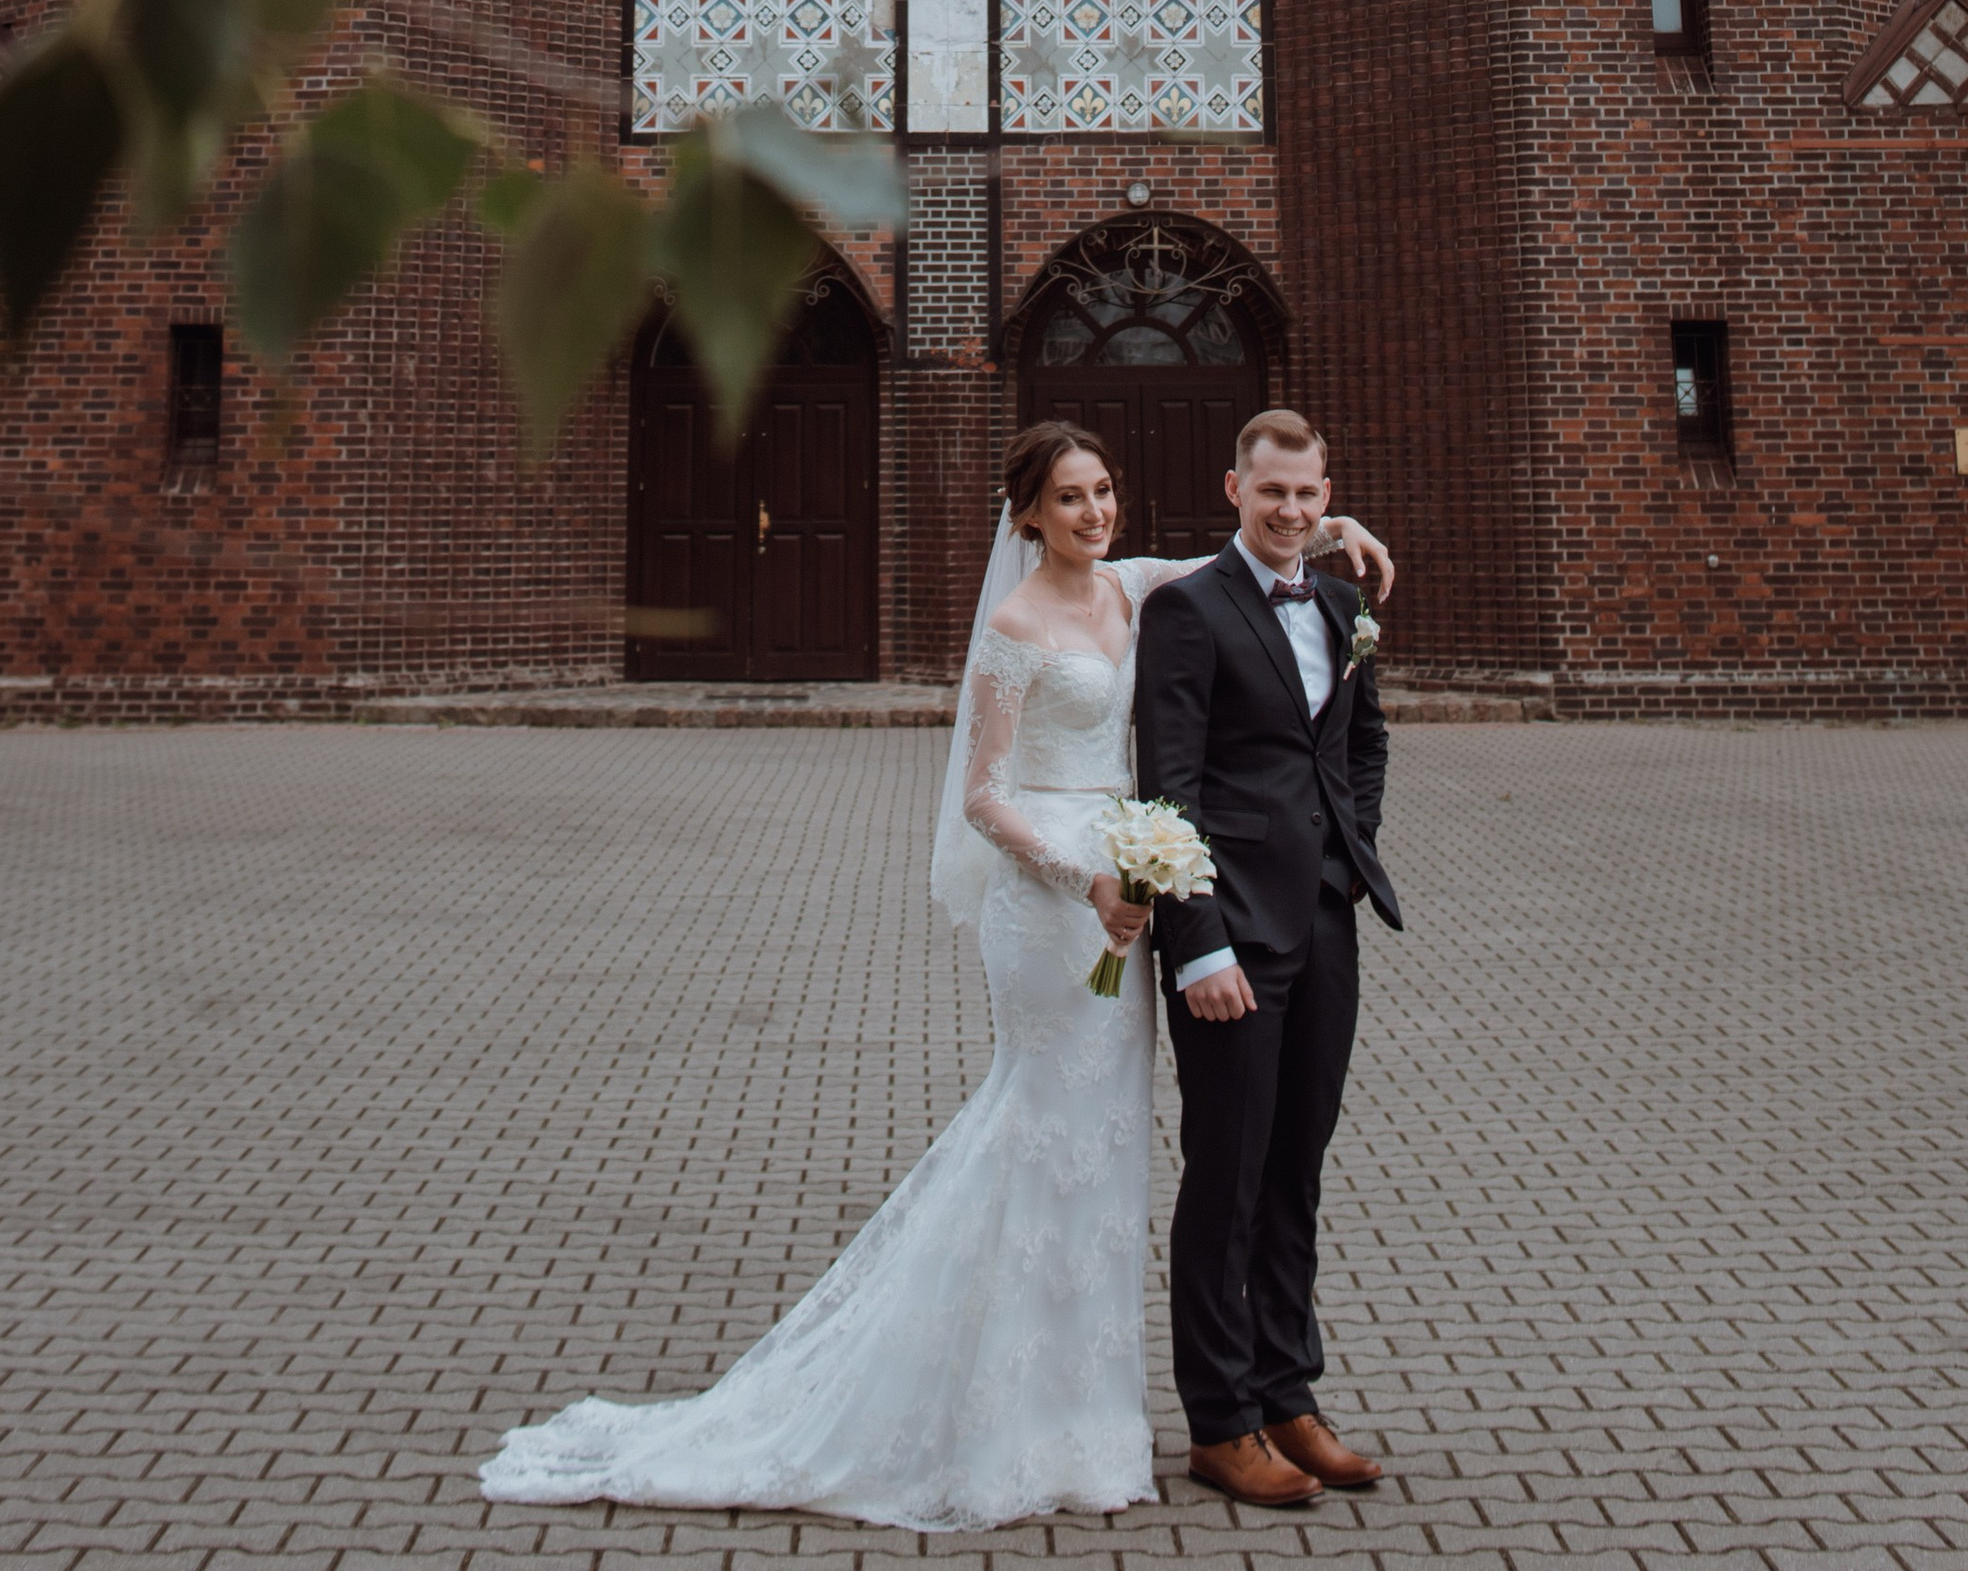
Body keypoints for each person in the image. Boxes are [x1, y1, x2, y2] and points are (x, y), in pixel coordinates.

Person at [479, 420, 1393, 1530]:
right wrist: (1105, 889)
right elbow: (989, 792)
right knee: (1101, 1145)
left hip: (1160, 895)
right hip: (1073, 910)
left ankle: (1134, 1407)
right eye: (1069, 497)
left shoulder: (1143, 586)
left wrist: (1330, 527)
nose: (1094, 512)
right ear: (1027, 517)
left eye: (1102, 491)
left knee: (1119, 1161)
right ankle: (1175, 1415)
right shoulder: (1031, 625)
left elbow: (1269, 577)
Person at [1133, 406, 1400, 1509]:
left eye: (1306, 494)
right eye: (1270, 491)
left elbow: (1363, 739)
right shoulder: (1187, 610)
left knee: (1297, 1165)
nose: (1289, 510)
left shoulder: (1340, 602)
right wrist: (1195, 943)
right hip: (1230, 940)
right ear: (1232, 488)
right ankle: (1221, 1418)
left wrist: (1349, 851)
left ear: (1323, 494)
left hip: (1325, 927)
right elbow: (1169, 784)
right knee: (1228, 1177)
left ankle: (1291, 1392)